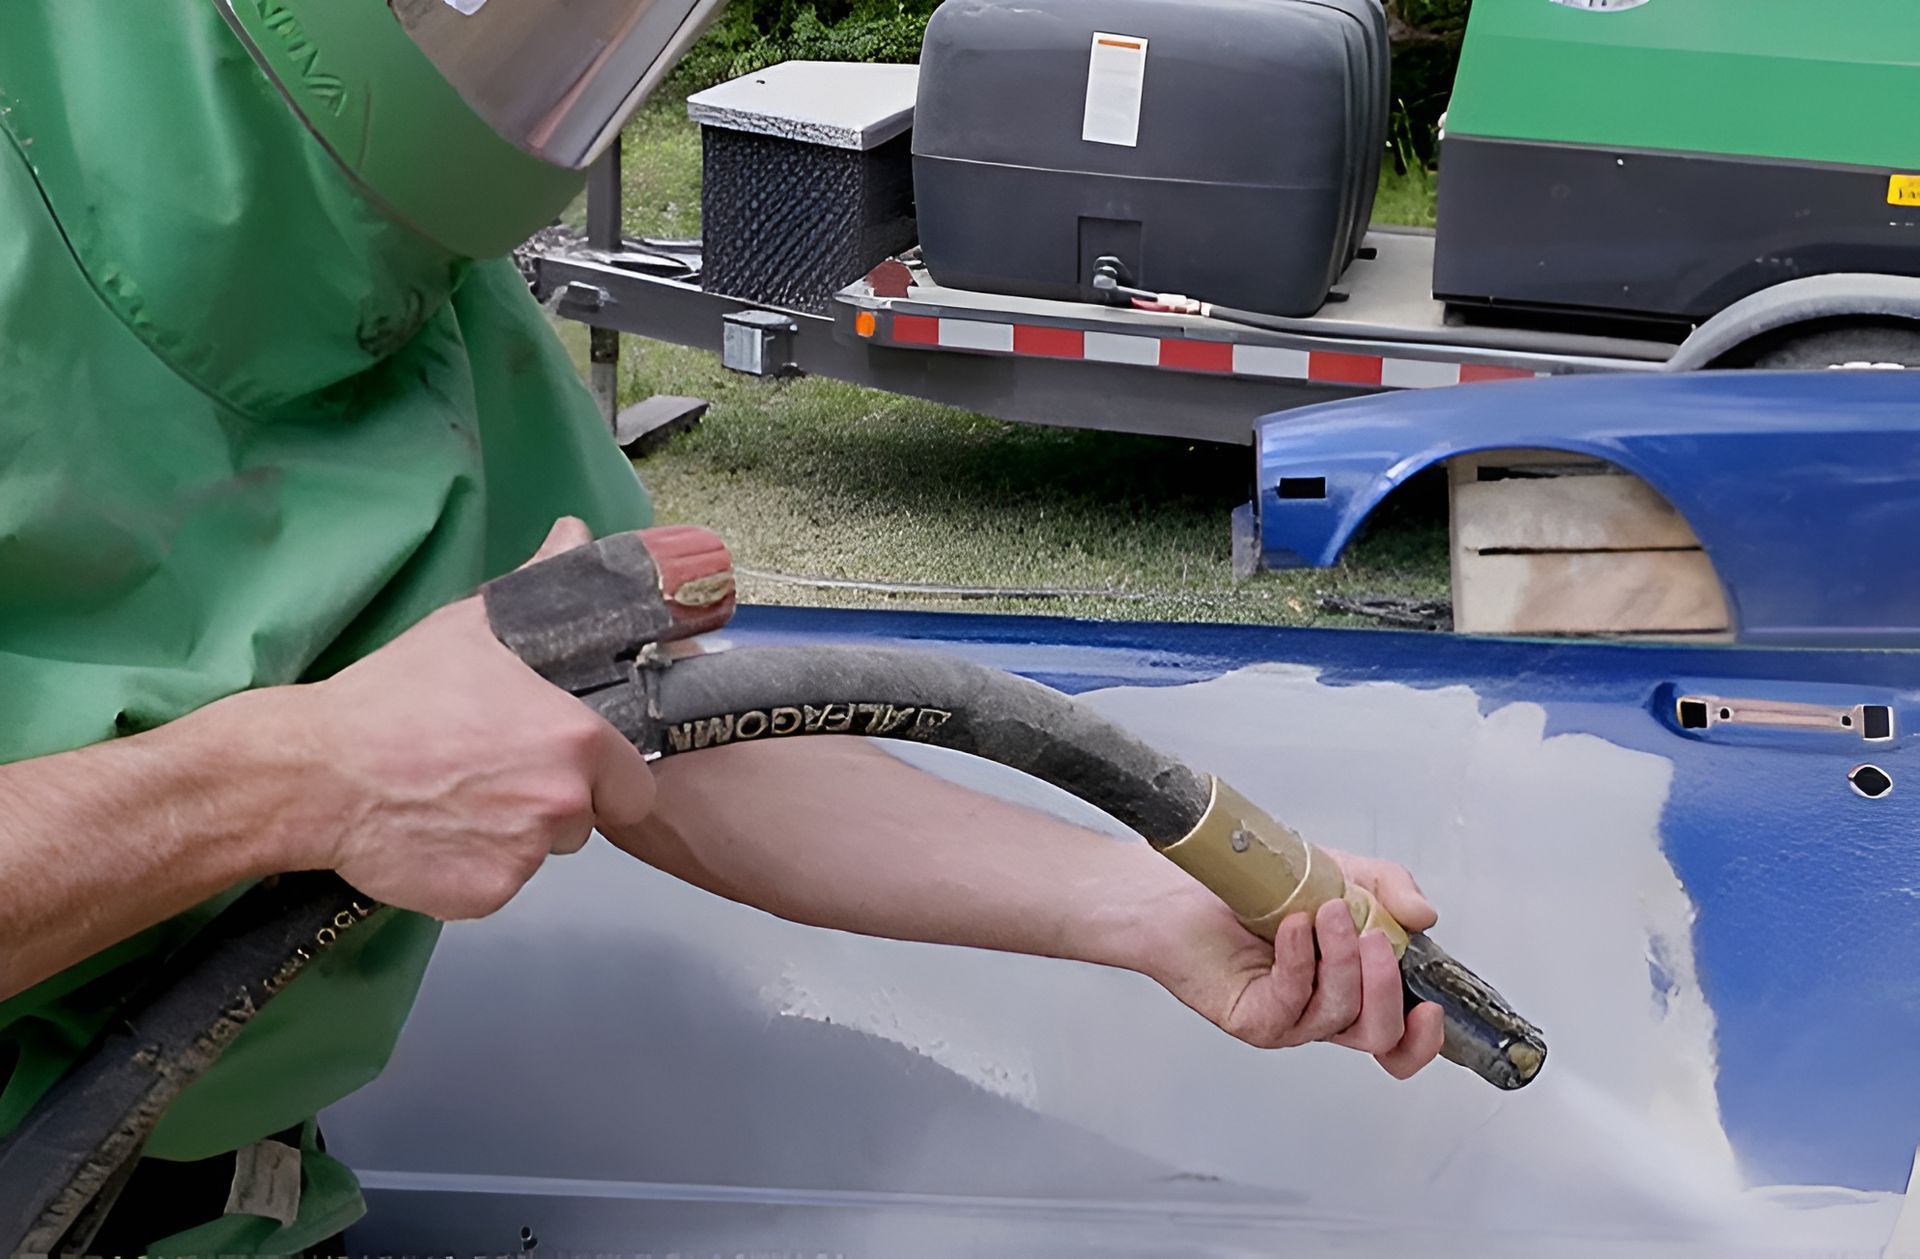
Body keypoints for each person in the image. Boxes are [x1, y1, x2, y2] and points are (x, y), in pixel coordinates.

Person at [0, 2, 1444, 1251]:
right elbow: (365, 766)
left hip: (229, 1213)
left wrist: (1141, 907)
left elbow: (666, 732)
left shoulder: (417, 271)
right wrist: (294, 779)